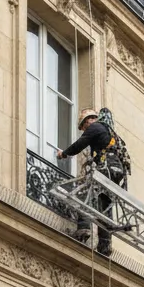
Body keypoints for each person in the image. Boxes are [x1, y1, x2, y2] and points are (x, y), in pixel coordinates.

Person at [57, 107, 130, 256]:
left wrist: (63, 154)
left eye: (84, 126)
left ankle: (84, 227)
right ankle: (105, 244)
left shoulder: (96, 127)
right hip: (115, 172)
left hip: (106, 168)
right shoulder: (110, 132)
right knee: (105, 203)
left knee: (84, 191)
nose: (84, 129)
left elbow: (79, 144)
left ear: (89, 120)